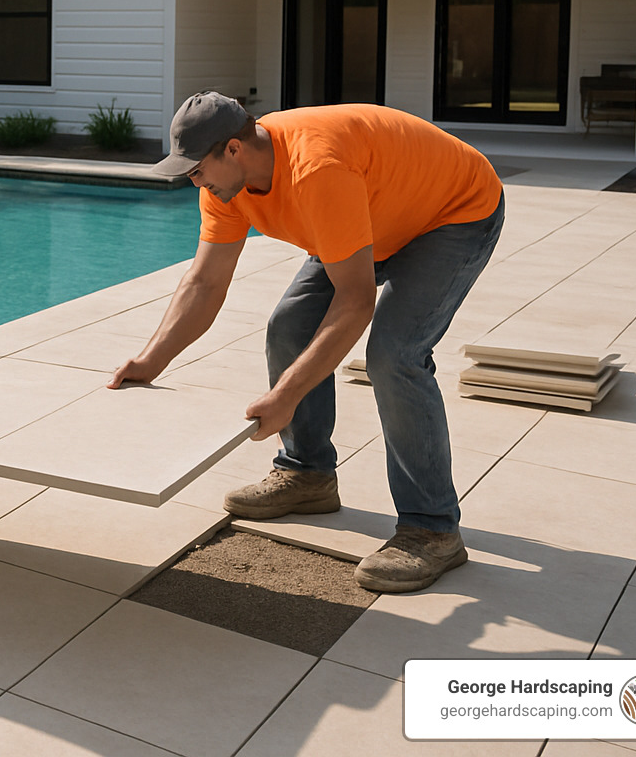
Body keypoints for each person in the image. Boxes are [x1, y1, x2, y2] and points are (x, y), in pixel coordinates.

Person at [109, 92, 504, 593]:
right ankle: (308, 475)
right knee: (289, 328)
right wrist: (151, 360)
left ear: (233, 149)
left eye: (196, 169)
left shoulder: (316, 169)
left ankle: (433, 528)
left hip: (450, 212)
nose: (194, 181)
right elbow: (205, 282)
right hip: (371, 211)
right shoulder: (226, 186)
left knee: (394, 356)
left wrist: (286, 395)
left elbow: (356, 301)